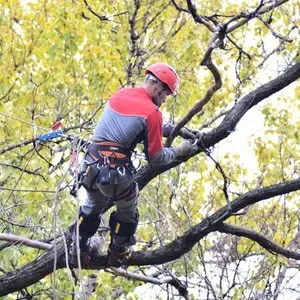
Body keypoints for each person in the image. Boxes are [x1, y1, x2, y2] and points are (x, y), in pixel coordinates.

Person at [70, 62, 198, 267]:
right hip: (116, 171)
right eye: (165, 94)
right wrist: (181, 151)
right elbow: (156, 157)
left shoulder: (120, 95)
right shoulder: (152, 113)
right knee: (127, 211)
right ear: (158, 87)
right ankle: (118, 251)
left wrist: (177, 130)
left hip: (91, 165)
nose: (164, 100)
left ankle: (78, 244)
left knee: (93, 204)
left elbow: (137, 123)